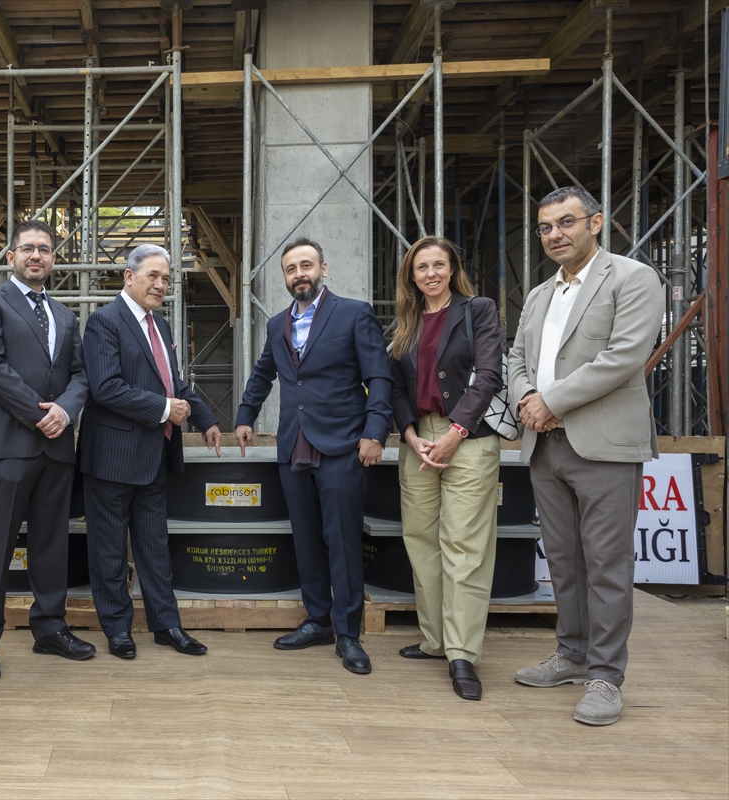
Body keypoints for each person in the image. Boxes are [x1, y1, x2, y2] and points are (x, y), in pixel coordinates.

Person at [508, 186, 664, 726]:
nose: (555, 234)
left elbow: (625, 356)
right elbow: (516, 357)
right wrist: (527, 400)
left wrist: (550, 401)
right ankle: (571, 654)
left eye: (566, 222)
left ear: (596, 222)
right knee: (564, 562)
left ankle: (606, 676)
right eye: (546, 227)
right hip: (544, 444)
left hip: (601, 444)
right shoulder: (538, 294)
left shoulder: (631, 278)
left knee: (607, 565)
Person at [234, 237, 391, 675]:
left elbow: (378, 377)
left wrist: (375, 432)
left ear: (324, 268)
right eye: (290, 269)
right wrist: (245, 415)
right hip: (294, 445)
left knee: (341, 540)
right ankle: (318, 620)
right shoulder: (277, 324)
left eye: (306, 265)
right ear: (284, 277)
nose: (299, 274)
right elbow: (265, 371)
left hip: (343, 444)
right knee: (305, 538)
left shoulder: (354, 314)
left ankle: (349, 634)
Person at [79, 244, 222, 659]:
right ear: (128, 276)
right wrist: (164, 410)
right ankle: (118, 629)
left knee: (155, 546)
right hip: (112, 457)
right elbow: (105, 387)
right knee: (108, 550)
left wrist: (205, 419)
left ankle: (166, 625)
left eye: (166, 278)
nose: (161, 285)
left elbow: (172, 383)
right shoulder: (104, 322)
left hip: (155, 457)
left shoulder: (161, 325)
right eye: (152, 276)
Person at [0, 219, 95, 679]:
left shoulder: (65, 315)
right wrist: (40, 414)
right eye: (27, 248)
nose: (35, 255)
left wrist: (65, 409)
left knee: (50, 544)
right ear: (11, 257)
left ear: (54, 259)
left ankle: (50, 627)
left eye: (44, 249)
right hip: (10, 444)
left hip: (58, 447)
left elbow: (82, 375)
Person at [388, 236, 503, 701]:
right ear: (411, 276)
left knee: (464, 546)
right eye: (422, 267)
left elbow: (489, 374)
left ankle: (461, 654)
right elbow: (395, 387)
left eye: (439, 264)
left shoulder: (478, 310)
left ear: (453, 268)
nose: (431, 273)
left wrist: (456, 432)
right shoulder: (404, 324)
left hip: (468, 439)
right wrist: (409, 433)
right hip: (418, 441)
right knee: (420, 539)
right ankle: (434, 639)